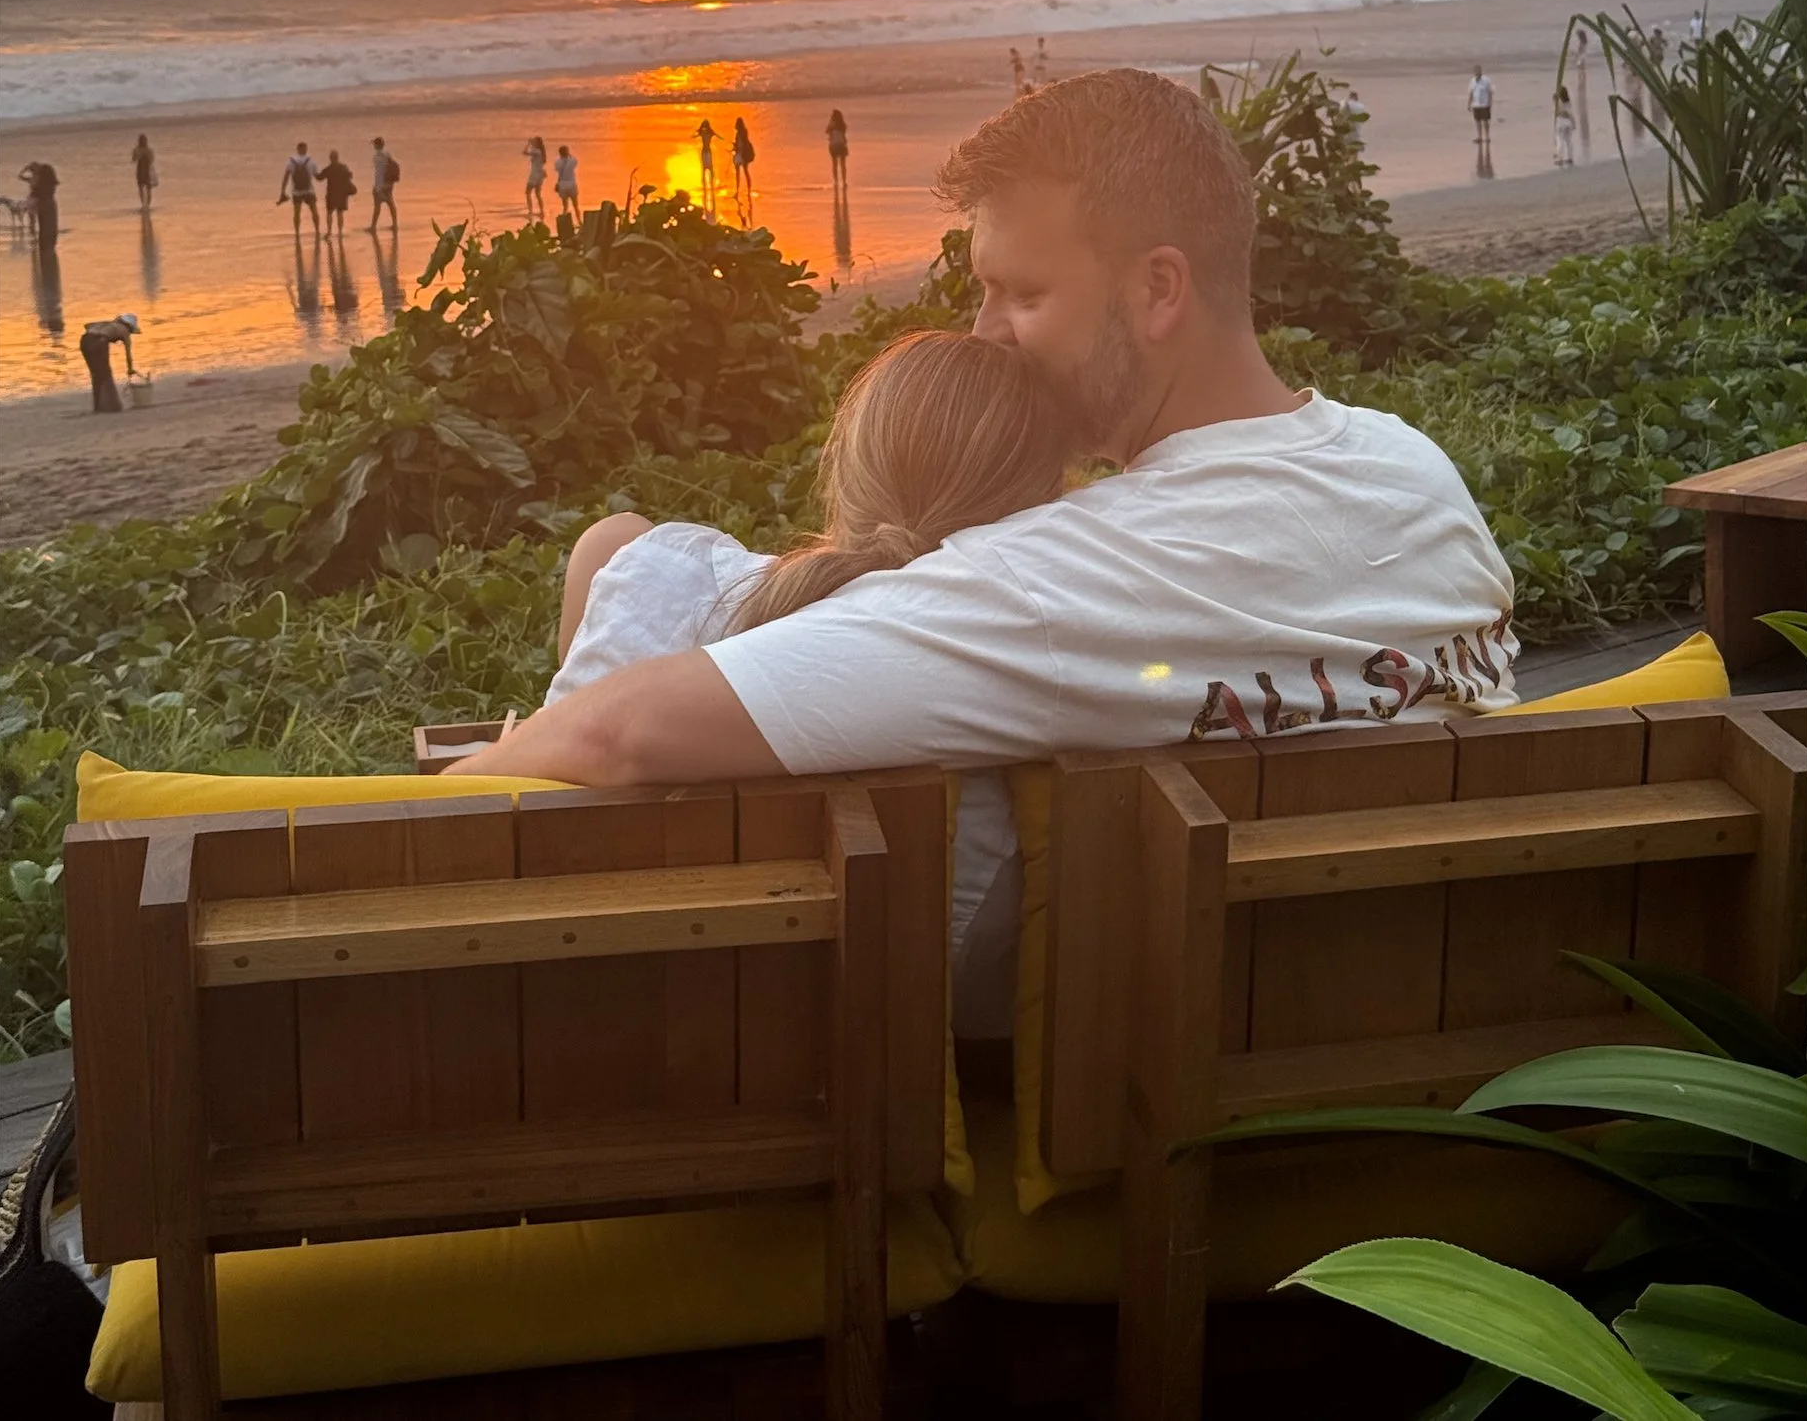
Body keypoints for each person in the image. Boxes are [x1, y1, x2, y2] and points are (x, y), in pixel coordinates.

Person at [454, 70, 1516, 1018]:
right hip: (1422, 1028)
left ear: (1159, 289)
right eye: (983, 290)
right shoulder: (1408, 468)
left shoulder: (1071, 577)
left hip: (1185, 1096)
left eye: (1024, 293)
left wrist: (448, 792)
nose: (985, 333)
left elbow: (620, 733)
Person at [544, 330, 1068, 1030]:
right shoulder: (1041, 691)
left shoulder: (652, 575)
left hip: (583, 1013)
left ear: (844, 471)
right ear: (1048, 510)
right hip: (906, 1037)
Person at [79, 310, 140, 413]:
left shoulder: (109, 324)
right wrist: (130, 369)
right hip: (99, 342)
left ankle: (99, 406)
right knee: (105, 374)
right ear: (129, 327)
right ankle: (111, 406)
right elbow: (128, 354)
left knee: (96, 375)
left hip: (84, 341)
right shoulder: (125, 331)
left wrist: (106, 328)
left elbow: (87, 326)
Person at [279, 142, 322, 234]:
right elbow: (318, 177)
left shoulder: (291, 162)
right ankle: (317, 231)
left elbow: (285, 178)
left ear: (297, 150)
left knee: (297, 213)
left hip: (296, 191)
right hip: (309, 190)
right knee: (314, 211)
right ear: (306, 149)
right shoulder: (311, 162)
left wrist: (282, 192)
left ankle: (297, 233)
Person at [17, 160, 58, 254]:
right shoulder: (46, 182)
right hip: (44, 203)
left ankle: (39, 243)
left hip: (38, 202)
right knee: (47, 225)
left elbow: (20, 176)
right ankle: (46, 246)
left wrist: (25, 169)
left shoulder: (36, 180)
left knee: (40, 224)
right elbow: (20, 177)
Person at [320, 149, 357, 238]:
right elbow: (350, 175)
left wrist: (312, 172)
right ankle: (340, 232)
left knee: (329, 213)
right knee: (340, 213)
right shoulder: (343, 167)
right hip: (341, 194)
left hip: (331, 194)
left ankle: (329, 232)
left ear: (330, 158)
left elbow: (320, 178)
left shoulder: (329, 168)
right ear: (337, 158)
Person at [368, 136, 400, 233]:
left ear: (377, 145)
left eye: (374, 144)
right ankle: (395, 224)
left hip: (380, 185)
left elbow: (379, 174)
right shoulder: (387, 154)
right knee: (391, 204)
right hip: (388, 184)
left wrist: (377, 188)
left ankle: (373, 227)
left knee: (377, 207)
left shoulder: (377, 157)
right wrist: (390, 183)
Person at [731, 117, 755, 217]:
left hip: (742, 155)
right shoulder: (743, 133)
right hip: (742, 155)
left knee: (740, 173)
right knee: (744, 172)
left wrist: (735, 147)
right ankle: (745, 190)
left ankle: (739, 191)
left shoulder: (741, 134)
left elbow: (741, 145)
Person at [1466, 65, 1494, 141]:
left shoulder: (1486, 80)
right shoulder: (1472, 81)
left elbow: (1490, 92)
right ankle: (1479, 137)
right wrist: (1469, 104)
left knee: (1485, 121)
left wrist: (1490, 102)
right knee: (1477, 122)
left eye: (1478, 70)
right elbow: (1471, 93)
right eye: (1476, 71)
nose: (1477, 72)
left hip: (1485, 104)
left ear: (1481, 71)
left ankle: (1487, 137)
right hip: (1476, 105)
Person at [695, 118, 718, 210]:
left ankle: (706, 184)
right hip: (707, 151)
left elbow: (695, 135)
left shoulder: (704, 133)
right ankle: (708, 183)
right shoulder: (708, 133)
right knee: (708, 167)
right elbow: (719, 136)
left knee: (706, 167)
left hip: (705, 151)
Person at [130, 134, 157, 208]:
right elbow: (133, 159)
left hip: (147, 170)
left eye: (144, 140)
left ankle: (147, 205)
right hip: (140, 170)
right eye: (142, 140)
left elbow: (151, 159)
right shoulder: (137, 150)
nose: (143, 142)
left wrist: (145, 154)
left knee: (148, 188)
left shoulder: (149, 149)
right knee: (141, 187)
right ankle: (144, 204)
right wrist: (138, 155)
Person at [826, 108, 849, 195]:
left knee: (835, 164)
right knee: (843, 165)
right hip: (841, 145)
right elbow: (844, 134)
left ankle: (836, 181)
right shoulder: (842, 125)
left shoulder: (832, 125)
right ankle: (844, 181)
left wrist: (831, 124)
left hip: (834, 145)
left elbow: (827, 131)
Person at [1552, 85, 1576, 169]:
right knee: (1569, 141)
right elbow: (1570, 113)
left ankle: (1560, 158)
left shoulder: (1558, 102)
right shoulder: (1568, 102)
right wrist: (1573, 122)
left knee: (1560, 140)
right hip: (1568, 121)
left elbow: (1556, 106)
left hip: (1561, 121)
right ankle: (1570, 157)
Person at [524, 137, 547, 220]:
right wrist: (531, 144)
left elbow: (524, 152)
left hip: (535, 175)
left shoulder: (536, 151)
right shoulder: (541, 151)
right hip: (540, 174)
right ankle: (542, 211)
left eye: (534, 142)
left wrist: (528, 144)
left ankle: (530, 211)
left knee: (528, 192)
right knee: (538, 194)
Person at [554, 144, 580, 217]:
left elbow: (557, 170)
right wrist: (569, 155)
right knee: (576, 206)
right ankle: (579, 220)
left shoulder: (558, 161)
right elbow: (575, 161)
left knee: (565, 206)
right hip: (572, 184)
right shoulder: (572, 160)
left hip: (562, 184)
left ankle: (564, 219)